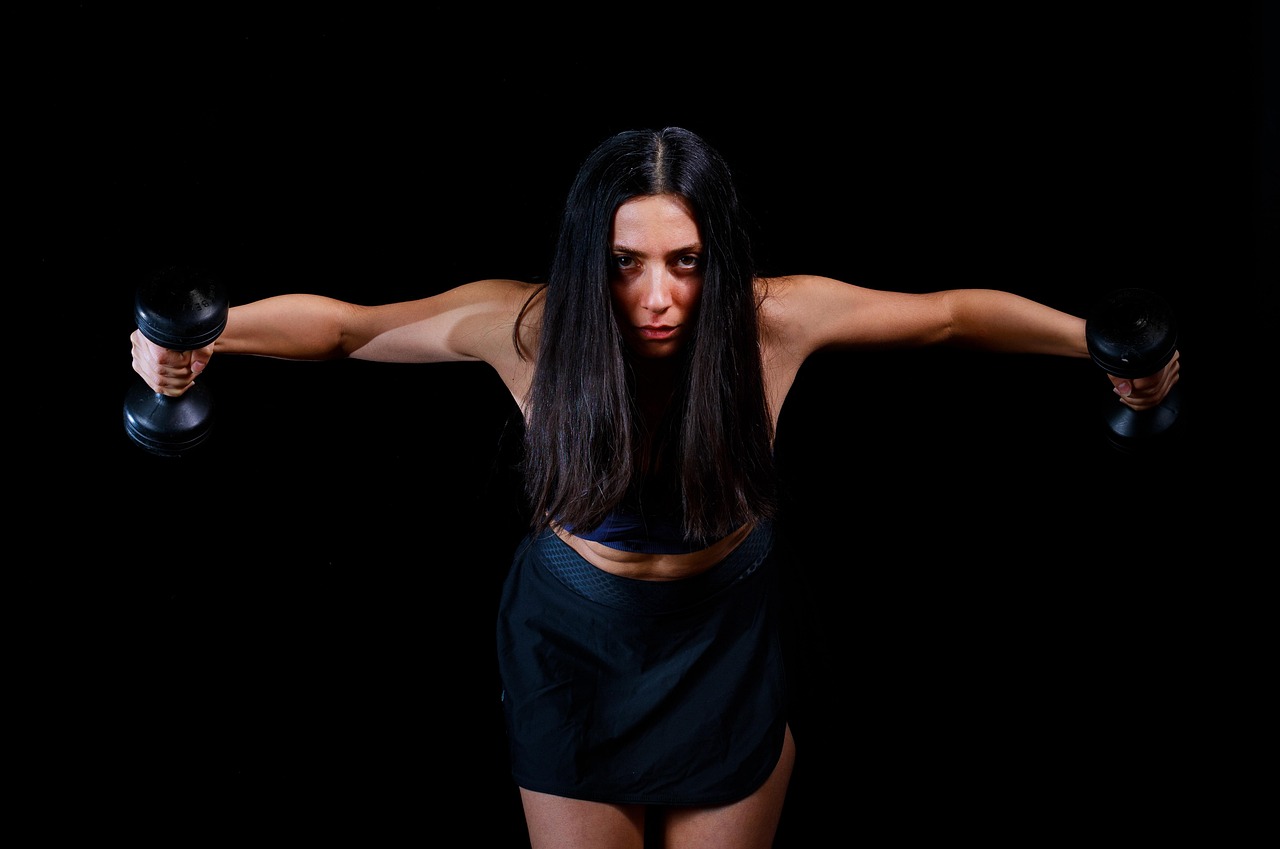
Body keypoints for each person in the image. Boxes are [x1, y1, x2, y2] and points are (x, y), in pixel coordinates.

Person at [129, 126, 1180, 848]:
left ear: (714, 253)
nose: (657, 295)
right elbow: (350, 328)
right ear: (593, 253)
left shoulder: (773, 319)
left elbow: (949, 313)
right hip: (571, 645)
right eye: (628, 262)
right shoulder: (530, 327)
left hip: (722, 634)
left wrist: (1090, 345)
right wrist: (209, 338)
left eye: (683, 261)